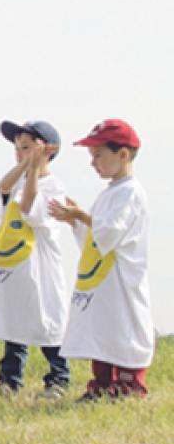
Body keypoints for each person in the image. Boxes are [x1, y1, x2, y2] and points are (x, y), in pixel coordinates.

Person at [49, 119, 153, 400]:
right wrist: (76, 222)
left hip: (120, 277)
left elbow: (110, 232)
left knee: (122, 325)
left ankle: (128, 384)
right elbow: (94, 236)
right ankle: (103, 384)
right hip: (102, 277)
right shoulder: (109, 193)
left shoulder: (130, 192)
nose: (93, 163)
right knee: (102, 327)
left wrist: (81, 216)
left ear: (123, 154)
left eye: (98, 155)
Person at [0, 120, 71, 398]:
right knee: (14, 322)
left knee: (45, 320)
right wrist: (26, 166)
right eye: (16, 148)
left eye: (25, 147)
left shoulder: (53, 186)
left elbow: (28, 208)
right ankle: (10, 378)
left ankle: (58, 377)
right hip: (11, 266)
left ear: (47, 150)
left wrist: (34, 169)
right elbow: (3, 187)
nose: (18, 152)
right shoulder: (17, 181)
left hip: (38, 265)